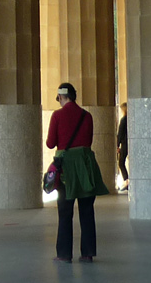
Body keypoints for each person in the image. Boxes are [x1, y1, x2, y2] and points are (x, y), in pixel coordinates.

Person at [46, 82, 109, 262]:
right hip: (85, 167)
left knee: (65, 212)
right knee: (87, 211)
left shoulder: (57, 116)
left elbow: (50, 143)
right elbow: (88, 141)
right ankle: (87, 253)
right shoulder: (86, 116)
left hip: (66, 169)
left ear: (61, 97)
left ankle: (64, 254)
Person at [116, 102, 129, 190]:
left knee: (121, 163)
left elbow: (120, 133)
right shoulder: (131, 119)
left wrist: (117, 145)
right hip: (130, 143)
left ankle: (127, 181)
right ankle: (127, 181)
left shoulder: (124, 120)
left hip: (124, 143)